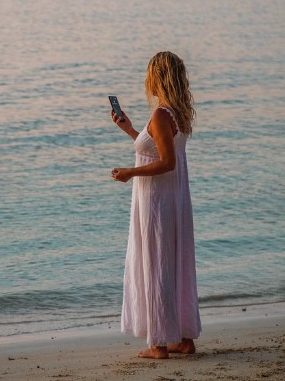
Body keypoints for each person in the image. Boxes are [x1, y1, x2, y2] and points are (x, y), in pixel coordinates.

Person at [110, 51, 201, 359]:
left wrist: (129, 173)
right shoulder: (177, 113)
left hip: (158, 202)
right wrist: (131, 131)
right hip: (173, 199)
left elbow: (166, 162)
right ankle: (183, 339)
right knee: (173, 263)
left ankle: (159, 343)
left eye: (149, 74)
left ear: (157, 78)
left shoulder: (162, 115)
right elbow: (155, 149)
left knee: (157, 264)